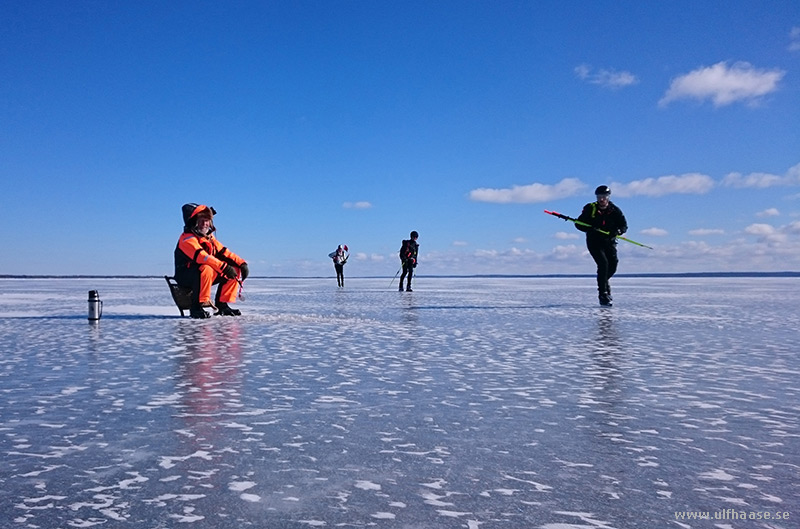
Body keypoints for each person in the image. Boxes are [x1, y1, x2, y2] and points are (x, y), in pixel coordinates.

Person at [174, 203, 249, 318]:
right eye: (201, 220)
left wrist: (242, 264)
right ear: (194, 221)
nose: (205, 224)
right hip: (186, 275)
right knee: (206, 267)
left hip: (204, 274)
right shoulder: (187, 239)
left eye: (207, 220)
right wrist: (224, 267)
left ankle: (222, 305)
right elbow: (202, 257)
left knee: (234, 268)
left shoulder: (209, 238)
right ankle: (196, 307)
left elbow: (224, 252)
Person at [576, 186, 627, 306]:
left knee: (613, 265)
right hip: (594, 242)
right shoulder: (590, 208)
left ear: (608, 197)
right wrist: (590, 228)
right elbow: (579, 224)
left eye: (604, 197)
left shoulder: (615, 210)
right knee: (603, 264)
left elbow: (624, 225)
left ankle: (603, 281)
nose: (602, 199)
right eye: (599, 197)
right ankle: (603, 294)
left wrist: (618, 231)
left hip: (609, 242)